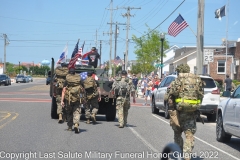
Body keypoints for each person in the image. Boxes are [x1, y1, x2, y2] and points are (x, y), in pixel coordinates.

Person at [167, 64, 204, 160]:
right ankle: (187, 154)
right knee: (189, 134)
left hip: (178, 111)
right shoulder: (197, 79)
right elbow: (201, 94)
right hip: (192, 111)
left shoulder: (178, 79)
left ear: (179, 71)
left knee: (177, 133)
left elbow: (172, 93)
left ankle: (179, 153)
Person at [61, 68, 84, 134]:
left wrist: (62, 100)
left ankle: (70, 127)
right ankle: (76, 124)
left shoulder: (67, 79)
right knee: (77, 111)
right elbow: (82, 90)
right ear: (75, 73)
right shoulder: (79, 79)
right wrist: (83, 99)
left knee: (69, 112)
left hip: (68, 99)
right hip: (77, 98)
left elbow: (64, 90)